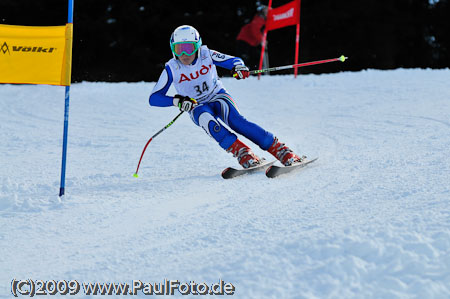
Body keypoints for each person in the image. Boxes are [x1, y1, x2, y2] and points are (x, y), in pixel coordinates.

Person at [149, 25, 303, 169]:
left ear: (197, 46)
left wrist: (239, 68)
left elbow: (233, 61)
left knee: (236, 122)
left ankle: (280, 149)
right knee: (208, 122)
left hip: (217, 96)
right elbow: (154, 98)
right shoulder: (172, 68)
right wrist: (178, 101)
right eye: (179, 49)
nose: (184, 54)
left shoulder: (206, 54)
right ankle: (243, 152)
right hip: (196, 105)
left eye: (189, 48)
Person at [236, 5, 268, 69]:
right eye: (267, 11)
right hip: (245, 40)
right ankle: (242, 72)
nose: (268, 12)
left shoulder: (262, 19)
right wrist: (261, 40)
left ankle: (252, 71)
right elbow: (255, 30)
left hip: (250, 42)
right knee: (245, 58)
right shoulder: (259, 19)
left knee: (254, 57)